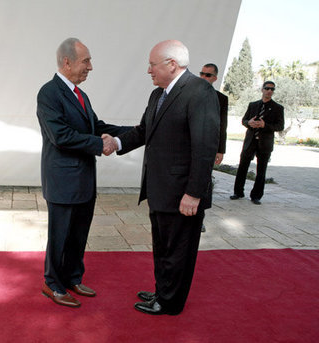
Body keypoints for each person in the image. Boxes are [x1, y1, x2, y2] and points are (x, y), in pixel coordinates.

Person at [103, 40, 219, 315]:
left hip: (183, 193)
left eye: (152, 64)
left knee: (179, 250)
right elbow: (144, 131)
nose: (148, 70)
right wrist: (115, 143)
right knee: (164, 246)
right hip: (160, 190)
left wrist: (194, 193)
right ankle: (163, 290)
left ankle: (170, 302)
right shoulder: (159, 95)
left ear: (171, 64)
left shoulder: (199, 91)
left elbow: (205, 147)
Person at [36, 37, 131, 308]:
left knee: (78, 234)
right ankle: (52, 284)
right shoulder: (49, 93)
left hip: (84, 181)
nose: (90, 66)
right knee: (60, 237)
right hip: (63, 182)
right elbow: (60, 135)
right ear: (67, 62)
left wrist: (135, 132)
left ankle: (72, 278)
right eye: (86, 60)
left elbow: (95, 125)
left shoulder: (81, 95)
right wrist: (100, 144)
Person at [230, 81, 284, 205]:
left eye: (272, 89)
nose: (269, 91)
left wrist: (265, 125)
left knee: (261, 170)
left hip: (265, 143)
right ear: (262, 89)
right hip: (250, 141)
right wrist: (249, 123)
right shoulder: (253, 105)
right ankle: (238, 192)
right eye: (267, 88)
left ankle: (256, 196)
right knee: (242, 167)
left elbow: (280, 126)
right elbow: (244, 120)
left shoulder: (278, 108)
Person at [199, 63, 228, 232]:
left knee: (204, 182)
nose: (204, 77)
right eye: (202, 73)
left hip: (208, 147)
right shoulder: (189, 94)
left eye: (208, 75)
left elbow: (222, 125)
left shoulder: (221, 99)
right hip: (189, 146)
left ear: (215, 78)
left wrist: (220, 149)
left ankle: (200, 217)